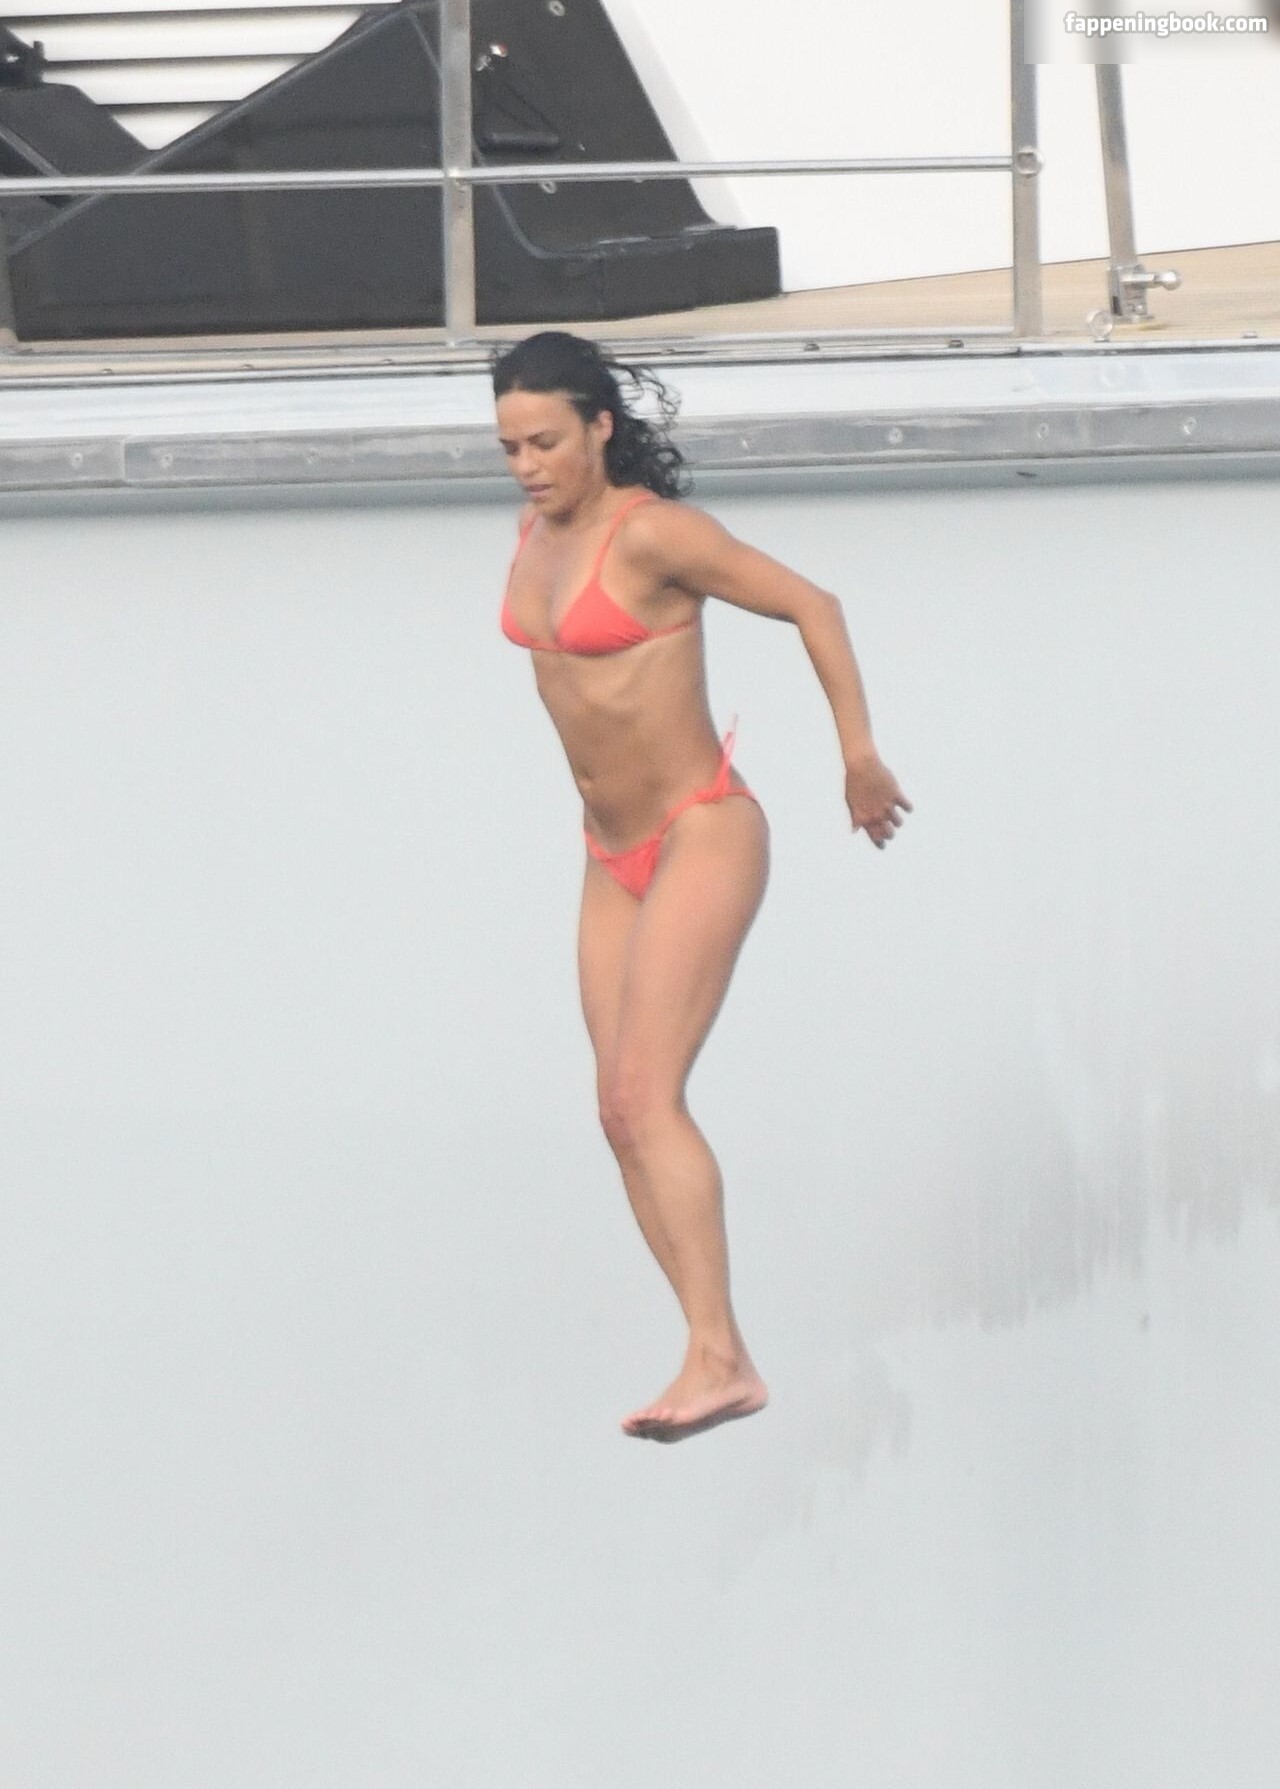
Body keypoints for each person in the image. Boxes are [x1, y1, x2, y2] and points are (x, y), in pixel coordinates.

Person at [493, 330, 911, 1444]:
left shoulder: (654, 535)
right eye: (510, 447)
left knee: (646, 1094)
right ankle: (709, 1348)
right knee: (615, 1111)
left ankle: (720, 1355)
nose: (527, 465)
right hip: (609, 853)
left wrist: (858, 757)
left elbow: (814, 603)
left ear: (599, 427)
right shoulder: (533, 534)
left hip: (700, 830)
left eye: (545, 442)